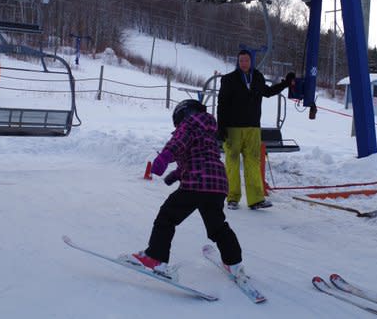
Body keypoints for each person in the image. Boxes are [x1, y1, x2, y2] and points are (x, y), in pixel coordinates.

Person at [126, 99, 246, 282]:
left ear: (182, 114)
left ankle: (155, 257)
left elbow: (178, 143)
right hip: (217, 185)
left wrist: (164, 157)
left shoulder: (190, 123)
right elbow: (198, 157)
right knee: (217, 226)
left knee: (167, 217)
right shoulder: (208, 131)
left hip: (196, 183)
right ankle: (234, 262)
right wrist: (175, 174)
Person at [217, 49, 295, 210]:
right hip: (233, 129)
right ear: (238, 62)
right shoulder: (229, 80)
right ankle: (232, 198)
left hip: (253, 128)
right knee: (232, 163)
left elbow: (267, 92)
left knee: (253, 162)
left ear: (251, 61)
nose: (243, 63)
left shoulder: (257, 77)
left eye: (246, 60)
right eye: (241, 61)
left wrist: (285, 84)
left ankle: (256, 199)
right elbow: (222, 104)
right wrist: (221, 127)